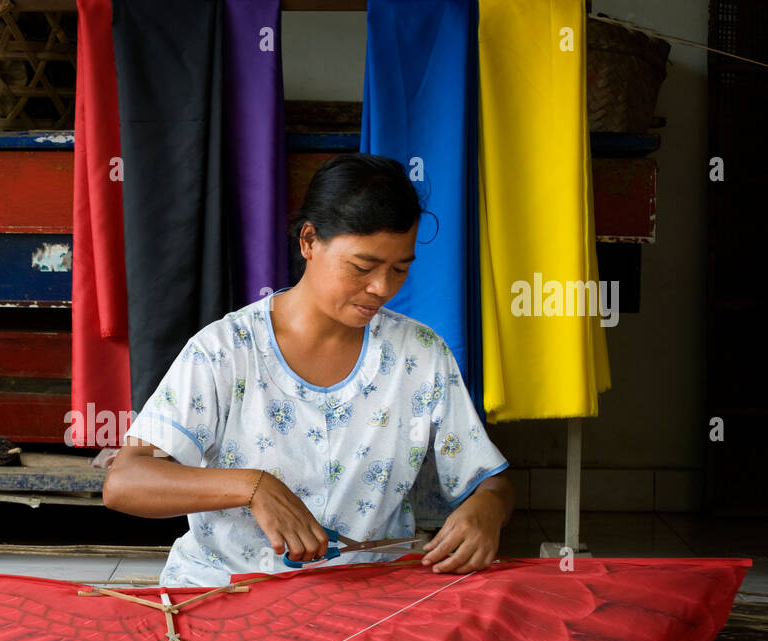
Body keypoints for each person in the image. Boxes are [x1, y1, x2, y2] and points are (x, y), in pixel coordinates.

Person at [103, 153, 514, 588]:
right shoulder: (226, 351)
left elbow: (491, 482)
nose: (381, 288)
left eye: (400, 269)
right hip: (225, 592)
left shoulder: (421, 355)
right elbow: (125, 482)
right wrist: (251, 485)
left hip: (366, 597)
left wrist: (487, 509)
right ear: (309, 242)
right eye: (362, 266)